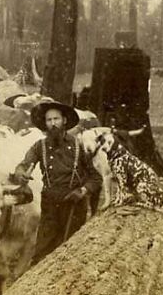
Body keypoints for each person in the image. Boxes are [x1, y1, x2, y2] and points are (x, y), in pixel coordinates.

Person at [13, 101, 101, 264]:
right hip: (50, 206)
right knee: (41, 255)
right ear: (45, 124)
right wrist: (21, 174)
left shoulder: (78, 146)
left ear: (64, 121)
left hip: (74, 206)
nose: (53, 124)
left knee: (71, 254)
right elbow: (23, 165)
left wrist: (82, 191)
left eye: (56, 119)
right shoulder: (39, 147)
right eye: (49, 120)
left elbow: (95, 178)